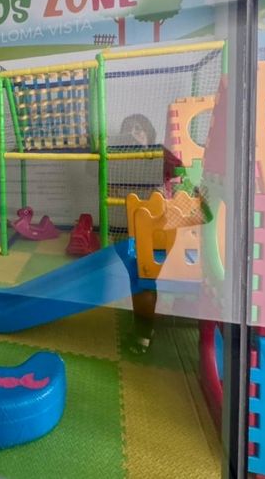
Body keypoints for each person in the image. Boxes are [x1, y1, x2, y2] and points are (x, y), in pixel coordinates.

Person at [119, 114, 159, 355]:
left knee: (144, 280)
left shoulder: (156, 157)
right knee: (137, 279)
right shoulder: (122, 160)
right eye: (129, 130)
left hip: (154, 234)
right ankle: (142, 327)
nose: (134, 133)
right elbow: (91, 171)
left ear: (149, 134)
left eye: (139, 129)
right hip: (130, 232)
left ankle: (143, 333)